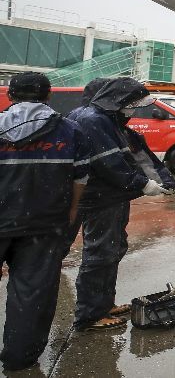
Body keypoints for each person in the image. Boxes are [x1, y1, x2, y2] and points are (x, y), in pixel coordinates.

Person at [66, 77, 175, 331]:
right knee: (100, 253)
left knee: (113, 249)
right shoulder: (93, 120)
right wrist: (142, 184)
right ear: (118, 101)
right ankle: (90, 314)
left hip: (111, 196)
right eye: (132, 105)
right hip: (100, 198)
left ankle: (103, 304)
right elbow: (109, 163)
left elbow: (135, 155)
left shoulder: (106, 119)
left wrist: (158, 180)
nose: (134, 110)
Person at [0, 73, 91, 371]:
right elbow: (80, 179)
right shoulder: (70, 131)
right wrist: (70, 212)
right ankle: (19, 358)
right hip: (44, 223)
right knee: (32, 293)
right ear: (48, 97)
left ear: (11, 96)